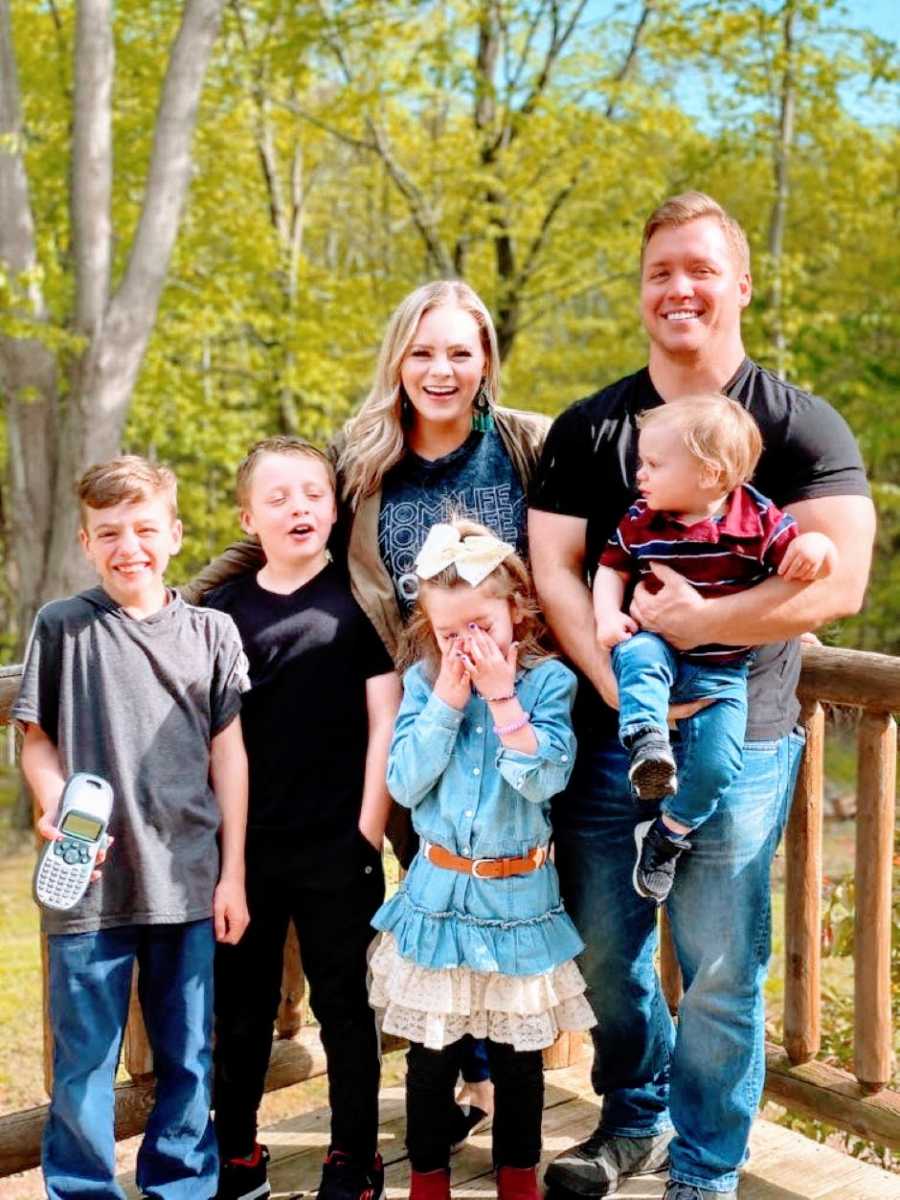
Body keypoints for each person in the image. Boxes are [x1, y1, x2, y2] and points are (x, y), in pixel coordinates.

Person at [528, 192, 873, 1200]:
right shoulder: (597, 427)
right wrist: (618, 685)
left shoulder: (797, 423)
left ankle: (709, 1166)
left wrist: (700, 626)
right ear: (641, 293)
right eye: (659, 273)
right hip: (608, 735)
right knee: (600, 954)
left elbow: (839, 582)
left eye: (698, 269)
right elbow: (554, 567)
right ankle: (634, 1117)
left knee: (721, 967)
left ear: (741, 286)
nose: (677, 288)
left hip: (744, 735)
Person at [183, 279, 552, 1139]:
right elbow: (274, 532)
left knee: (508, 890)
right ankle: (450, 1089)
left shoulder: (531, 444)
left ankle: (501, 1097)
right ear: (398, 360)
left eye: (461, 351)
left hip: (514, 705)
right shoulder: (364, 451)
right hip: (417, 711)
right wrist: (179, 604)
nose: (441, 369)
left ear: (486, 359)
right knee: (431, 898)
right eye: (423, 352)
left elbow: (574, 545)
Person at [14, 456, 250, 1200]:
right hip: (86, 888)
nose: (129, 547)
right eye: (108, 533)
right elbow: (37, 738)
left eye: (145, 529)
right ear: (86, 542)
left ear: (175, 534)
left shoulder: (212, 632)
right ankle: (83, 1189)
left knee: (188, 1053)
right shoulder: (61, 628)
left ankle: (181, 1184)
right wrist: (53, 801)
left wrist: (233, 871)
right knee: (84, 1059)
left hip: (185, 879)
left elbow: (229, 757)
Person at [368, 519, 596, 1200]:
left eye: (482, 627)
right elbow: (404, 784)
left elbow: (545, 778)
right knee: (431, 1055)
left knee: (518, 1056)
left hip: (518, 899)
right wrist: (447, 699)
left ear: (516, 613)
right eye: (448, 634)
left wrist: (501, 699)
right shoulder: (423, 683)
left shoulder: (548, 684)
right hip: (437, 897)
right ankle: (429, 1178)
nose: (466, 646)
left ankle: (518, 1175)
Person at [203, 437, 401, 1200]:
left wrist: (366, 831)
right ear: (248, 516)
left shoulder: (358, 603)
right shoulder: (221, 613)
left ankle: (354, 1155)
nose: (299, 510)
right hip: (245, 850)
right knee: (243, 1011)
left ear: (335, 508)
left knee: (347, 1006)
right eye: (279, 498)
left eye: (314, 495)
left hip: (337, 845)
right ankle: (239, 1154)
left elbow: (383, 722)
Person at [594, 393, 835, 903]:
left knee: (720, 765)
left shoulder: (755, 519)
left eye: (655, 464)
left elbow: (798, 556)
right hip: (655, 645)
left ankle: (669, 834)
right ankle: (648, 743)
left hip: (724, 669)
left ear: (708, 474)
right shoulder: (642, 518)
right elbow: (612, 567)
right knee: (637, 657)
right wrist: (606, 616)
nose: (641, 474)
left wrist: (818, 547)